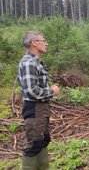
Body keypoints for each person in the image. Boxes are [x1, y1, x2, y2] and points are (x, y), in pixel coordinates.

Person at [18, 31, 61, 169]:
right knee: (34, 144)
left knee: (43, 140)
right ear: (34, 43)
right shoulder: (29, 63)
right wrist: (52, 91)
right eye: (43, 40)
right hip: (34, 108)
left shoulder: (36, 62)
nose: (46, 43)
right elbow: (32, 91)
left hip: (41, 108)